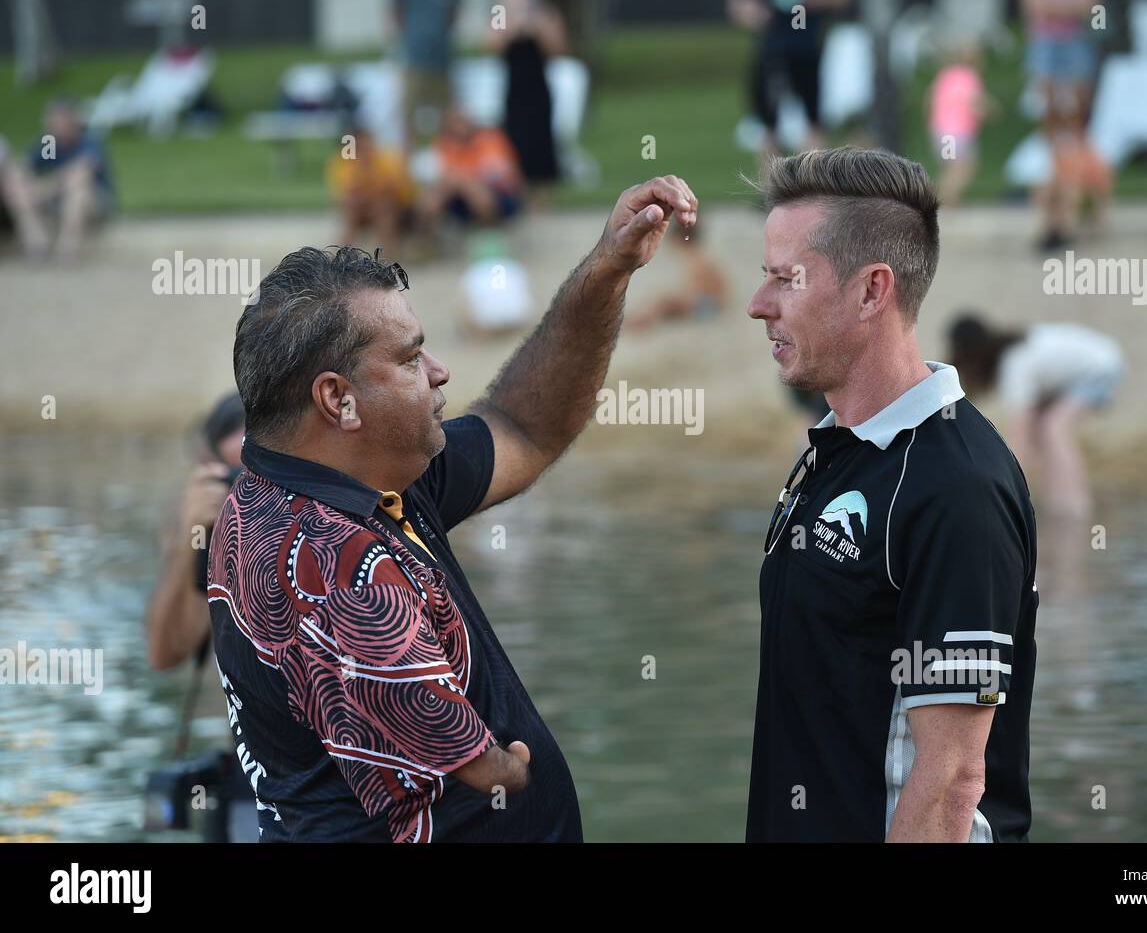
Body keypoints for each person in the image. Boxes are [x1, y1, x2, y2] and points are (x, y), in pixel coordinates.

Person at [209, 176, 698, 842]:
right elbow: (478, 765)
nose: (440, 371)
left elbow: (525, 427)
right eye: (410, 358)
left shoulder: (331, 481)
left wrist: (607, 269)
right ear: (337, 399)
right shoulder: (330, 559)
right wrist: (516, 771)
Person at [745, 148, 1037, 842]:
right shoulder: (838, 450)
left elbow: (952, 781)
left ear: (872, 291)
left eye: (787, 280)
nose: (759, 305)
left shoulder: (956, 488)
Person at [145, 392, 260, 843]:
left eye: (264, 470)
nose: (254, 491)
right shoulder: (201, 525)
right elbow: (165, 652)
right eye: (238, 476)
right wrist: (189, 544)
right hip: (258, 771)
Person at [948, 314, 1124, 518]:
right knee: (1043, 429)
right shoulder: (1016, 353)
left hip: (1102, 366)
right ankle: (1057, 501)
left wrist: (1003, 488)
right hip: (1090, 365)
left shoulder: (1015, 365)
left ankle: (1077, 507)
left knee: (1054, 428)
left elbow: (1018, 438)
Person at [726, 0, 853, 162]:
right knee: (769, 129)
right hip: (771, 54)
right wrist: (756, 13)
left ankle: (813, 182)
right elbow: (738, 2)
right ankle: (773, 188)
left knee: (813, 125)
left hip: (805, 51)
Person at [1020, 0, 1100, 249]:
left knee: (1072, 133)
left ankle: (1069, 213)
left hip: (1068, 45)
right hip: (1054, 44)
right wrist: (1068, 6)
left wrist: (1051, 7)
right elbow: (1034, 4)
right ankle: (1056, 216)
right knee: (1052, 138)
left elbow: (1087, 4)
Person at [0, 97, 114, 260]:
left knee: (79, 189)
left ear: (71, 121)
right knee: (15, 184)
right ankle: (37, 244)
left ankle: (67, 249)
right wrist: (20, 179)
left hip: (94, 203)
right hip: (58, 199)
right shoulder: (51, 144)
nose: (52, 124)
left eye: (58, 119)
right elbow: (25, 166)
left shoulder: (89, 141)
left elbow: (80, 173)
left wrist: (43, 189)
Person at [490, 0, 566, 205]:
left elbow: (557, 50)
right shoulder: (500, 15)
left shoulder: (546, 14)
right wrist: (513, 28)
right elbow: (492, 46)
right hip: (514, 91)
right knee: (514, 142)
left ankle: (543, 197)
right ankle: (517, 195)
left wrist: (538, 28)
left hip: (538, 90)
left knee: (540, 143)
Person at [422, 105, 525, 232]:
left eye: (461, 120)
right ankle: (426, 238)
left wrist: (464, 180)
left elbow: (503, 176)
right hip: (458, 198)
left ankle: (489, 232)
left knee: (467, 185)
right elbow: (439, 178)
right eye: (453, 122)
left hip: (499, 197)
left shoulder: (491, 139)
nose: (458, 126)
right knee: (432, 197)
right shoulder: (444, 146)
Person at [391, 0, 461, 149]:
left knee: (448, 112)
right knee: (409, 111)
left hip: (442, 58)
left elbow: (454, 12)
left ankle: (447, 153)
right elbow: (396, 12)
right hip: (414, 59)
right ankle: (410, 156)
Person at [327, 125, 417, 258]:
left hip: (392, 210)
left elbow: (401, 191)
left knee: (383, 207)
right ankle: (342, 255)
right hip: (361, 211)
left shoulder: (385, 159)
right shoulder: (345, 162)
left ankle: (387, 256)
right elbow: (345, 194)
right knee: (353, 208)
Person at [627, 218, 729, 330]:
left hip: (708, 307)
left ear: (678, 239)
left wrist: (677, 300)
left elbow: (694, 292)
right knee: (665, 301)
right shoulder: (698, 256)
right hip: (710, 304)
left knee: (663, 301)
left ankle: (639, 323)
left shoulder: (694, 259)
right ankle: (639, 318)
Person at [926, 42, 995, 207]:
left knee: (949, 167)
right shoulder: (969, 77)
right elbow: (975, 103)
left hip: (941, 132)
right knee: (964, 167)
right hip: (958, 133)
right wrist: (989, 111)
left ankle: (943, 200)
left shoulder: (945, 76)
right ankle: (944, 200)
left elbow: (929, 100)